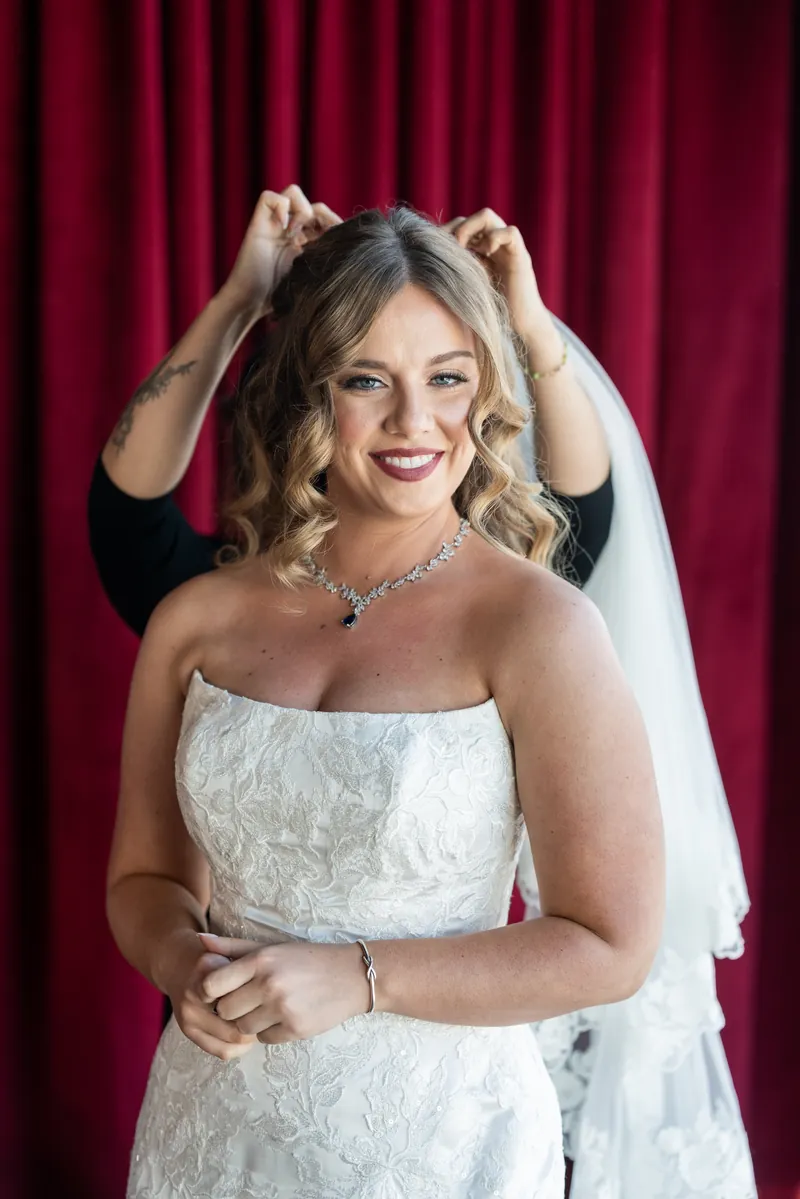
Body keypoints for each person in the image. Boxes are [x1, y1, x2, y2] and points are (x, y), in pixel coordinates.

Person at [92, 188, 756, 1197]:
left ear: (485, 390)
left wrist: (359, 977)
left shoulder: (537, 625)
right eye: (367, 378)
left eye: (447, 378)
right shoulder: (199, 620)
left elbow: (610, 944)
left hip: (446, 1142)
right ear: (308, 394)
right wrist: (183, 961)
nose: (414, 423)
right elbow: (142, 881)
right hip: (212, 1124)